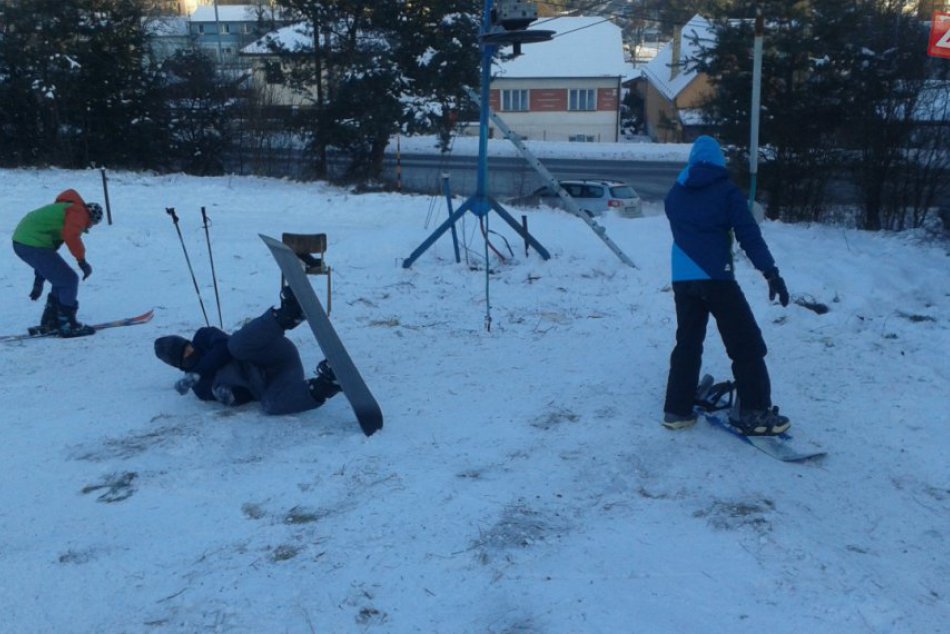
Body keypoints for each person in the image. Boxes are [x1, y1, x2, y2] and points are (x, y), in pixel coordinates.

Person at [661, 135, 791, 436]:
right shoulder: (726, 192)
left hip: (682, 279)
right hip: (716, 278)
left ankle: (676, 410)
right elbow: (749, 234)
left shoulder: (675, 195)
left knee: (688, 343)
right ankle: (755, 412)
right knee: (745, 342)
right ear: (719, 160)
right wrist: (770, 272)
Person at [154, 286, 342, 415]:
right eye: (184, 356)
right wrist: (232, 398)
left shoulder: (203, 336)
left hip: (275, 353)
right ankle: (324, 386)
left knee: (235, 345)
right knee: (269, 405)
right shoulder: (200, 389)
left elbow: (223, 347)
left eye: (187, 347)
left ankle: (288, 315)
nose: (190, 352)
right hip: (280, 380)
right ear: (179, 365)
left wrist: (199, 372)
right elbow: (247, 396)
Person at [12, 189, 103, 337]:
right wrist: (82, 262)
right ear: (92, 217)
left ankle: (51, 320)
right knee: (69, 280)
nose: (88, 227)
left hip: (22, 242)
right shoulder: (79, 212)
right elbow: (71, 235)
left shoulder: (65, 211)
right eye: (92, 224)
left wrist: (39, 281)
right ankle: (67, 324)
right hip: (31, 243)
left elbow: (49, 255)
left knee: (60, 279)